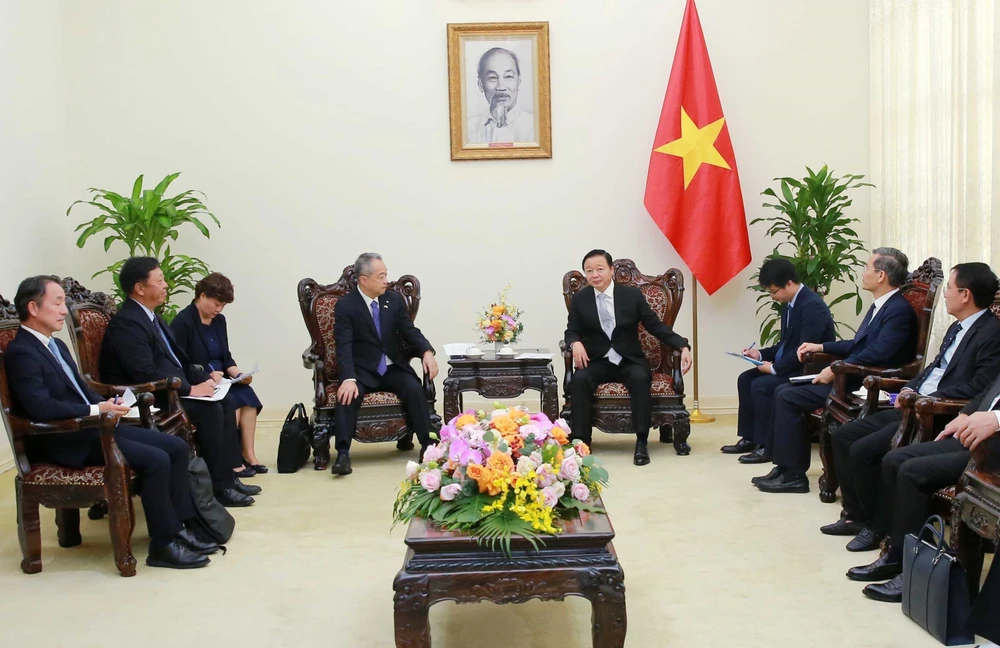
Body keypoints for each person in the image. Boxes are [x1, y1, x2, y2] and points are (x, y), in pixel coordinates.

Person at [5, 275, 218, 569]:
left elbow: (81, 388)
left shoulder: (55, 346)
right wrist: (94, 409)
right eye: (56, 303)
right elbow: (40, 408)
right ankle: (164, 545)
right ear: (33, 307)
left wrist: (110, 403)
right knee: (156, 459)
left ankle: (181, 528)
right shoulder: (21, 352)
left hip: (92, 429)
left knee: (175, 447)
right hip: (64, 440)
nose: (64, 310)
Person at [821, 263, 1000, 549]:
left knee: (865, 451)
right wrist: (911, 387)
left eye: (949, 290)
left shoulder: (991, 333)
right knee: (844, 435)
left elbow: (980, 386)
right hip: (912, 404)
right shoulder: (957, 327)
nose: (944, 296)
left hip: (936, 412)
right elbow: (934, 367)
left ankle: (878, 527)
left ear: (965, 294)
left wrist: (926, 399)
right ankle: (857, 516)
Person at [754, 247, 919, 493]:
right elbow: (858, 344)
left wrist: (835, 368)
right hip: (853, 375)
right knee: (785, 391)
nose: (862, 273)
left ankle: (794, 476)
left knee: (787, 395)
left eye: (866, 268)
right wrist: (822, 345)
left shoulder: (897, 311)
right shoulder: (881, 306)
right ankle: (785, 468)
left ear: (881, 275)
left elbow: (879, 353)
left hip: (866, 383)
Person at [100, 257, 258, 507]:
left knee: (225, 400)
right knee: (211, 409)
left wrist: (205, 380)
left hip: (169, 388)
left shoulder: (151, 316)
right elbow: (145, 372)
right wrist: (190, 388)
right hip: (146, 398)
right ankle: (215, 487)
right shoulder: (128, 322)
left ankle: (226, 478)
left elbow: (178, 359)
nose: (166, 285)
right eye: (160, 280)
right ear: (140, 288)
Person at [847, 375, 1000, 603]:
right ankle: (897, 555)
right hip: (973, 437)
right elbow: (990, 389)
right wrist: (965, 414)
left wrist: (996, 419)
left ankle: (918, 570)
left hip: (993, 452)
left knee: (912, 472)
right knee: (894, 460)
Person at [565, 249, 693, 466]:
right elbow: (572, 330)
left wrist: (683, 345)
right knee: (579, 380)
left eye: (599, 269)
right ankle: (582, 442)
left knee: (641, 378)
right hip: (598, 360)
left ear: (611, 270)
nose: (594, 274)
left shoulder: (631, 295)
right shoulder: (581, 299)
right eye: (589, 271)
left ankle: (641, 441)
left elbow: (655, 325)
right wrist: (575, 342)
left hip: (629, 360)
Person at [331, 253, 439, 476]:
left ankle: (428, 446)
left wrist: (427, 351)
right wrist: (348, 378)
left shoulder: (393, 299)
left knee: (414, 389)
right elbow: (343, 345)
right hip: (361, 371)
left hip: (391, 368)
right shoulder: (346, 306)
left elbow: (410, 331)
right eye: (381, 276)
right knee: (346, 396)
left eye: (386, 275)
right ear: (364, 280)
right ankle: (343, 454)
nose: (386, 281)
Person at [720, 258, 835, 461]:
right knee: (745, 379)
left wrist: (774, 369)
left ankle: (766, 445)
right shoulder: (790, 304)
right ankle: (750, 438)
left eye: (774, 291)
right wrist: (761, 355)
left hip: (808, 370)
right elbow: (785, 345)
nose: (773, 297)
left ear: (789, 283)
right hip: (791, 364)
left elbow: (804, 351)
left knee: (762, 385)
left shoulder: (811, 306)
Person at [170, 272, 266, 476]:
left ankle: (248, 454)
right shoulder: (184, 322)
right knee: (231, 401)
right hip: (202, 379)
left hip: (222, 378)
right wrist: (207, 376)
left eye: (223, 305)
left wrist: (239, 373)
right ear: (202, 296)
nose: (219, 309)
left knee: (247, 394)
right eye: (216, 303)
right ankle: (231, 462)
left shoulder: (219, 321)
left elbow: (226, 358)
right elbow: (183, 363)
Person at [466, 46, 535, 145]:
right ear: (481, 84)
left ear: (518, 81)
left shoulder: (534, 127)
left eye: (508, 76)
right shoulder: (468, 129)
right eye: (492, 78)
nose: (501, 87)